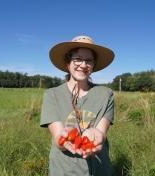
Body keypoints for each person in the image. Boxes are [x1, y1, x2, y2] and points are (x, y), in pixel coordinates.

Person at [40, 35, 115, 176]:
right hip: (63, 171)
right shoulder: (52, 95)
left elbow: (101, 132)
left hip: (99, 170)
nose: (83, 64)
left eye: (88, 60)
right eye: (77, 59)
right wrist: (63, 138)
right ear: (67, 63)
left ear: (93, 65)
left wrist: (98, 135)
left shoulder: (106, 94)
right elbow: (58, 138)